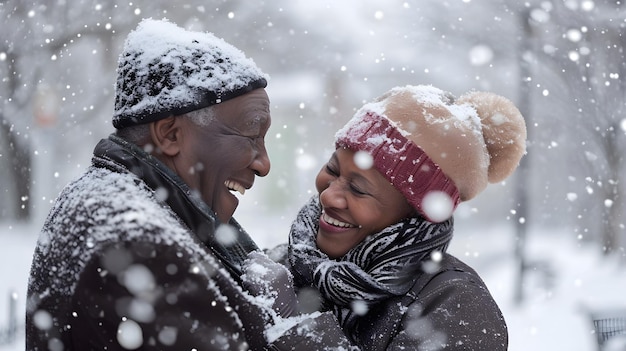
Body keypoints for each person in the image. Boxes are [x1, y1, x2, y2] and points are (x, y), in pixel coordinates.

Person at [26, 18, 353, 351]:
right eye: (251, 134)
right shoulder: (143, 245)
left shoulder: (113, 205)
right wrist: (288, 328)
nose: (263, 164)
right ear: (170, 134)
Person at [255, 84, 527, 350]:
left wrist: (298, 329)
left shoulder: (455, 304)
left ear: (414, 215)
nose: (328, 196)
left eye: (359, 189)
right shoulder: (282, 265)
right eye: (332, 170)